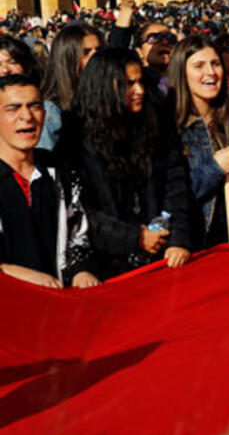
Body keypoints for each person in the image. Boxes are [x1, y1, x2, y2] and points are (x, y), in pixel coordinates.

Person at [66, 48, 193, 277]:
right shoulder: (75, 139)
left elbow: (175, 184)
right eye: (128, 84)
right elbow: (81, 210)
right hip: (105, 266)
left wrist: (178, 239)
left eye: (140, 81)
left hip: (161, 256)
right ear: (104, 87)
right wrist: (135, 237)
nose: (139, 91)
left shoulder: (154, 124)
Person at [168, 35, 229, 253]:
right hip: (190, 246)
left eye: (215, 64)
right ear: (181, 72)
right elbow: (172, 197)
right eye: (199, 66)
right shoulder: (169, 126)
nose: (210, 72)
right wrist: (214, 169)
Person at [0, 74, 97, 289]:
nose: (27, 116)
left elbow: (78, 235)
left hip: (57, 300)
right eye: (13, 108)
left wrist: (80, 270)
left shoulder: (60, 172)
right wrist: (13, 273)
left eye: (34, 106)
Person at [38, 24, 101, 151]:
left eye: (99, 51)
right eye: (86, 52)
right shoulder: (50, 111)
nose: (96, 58)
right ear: (68, 59)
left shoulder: (99, 97)